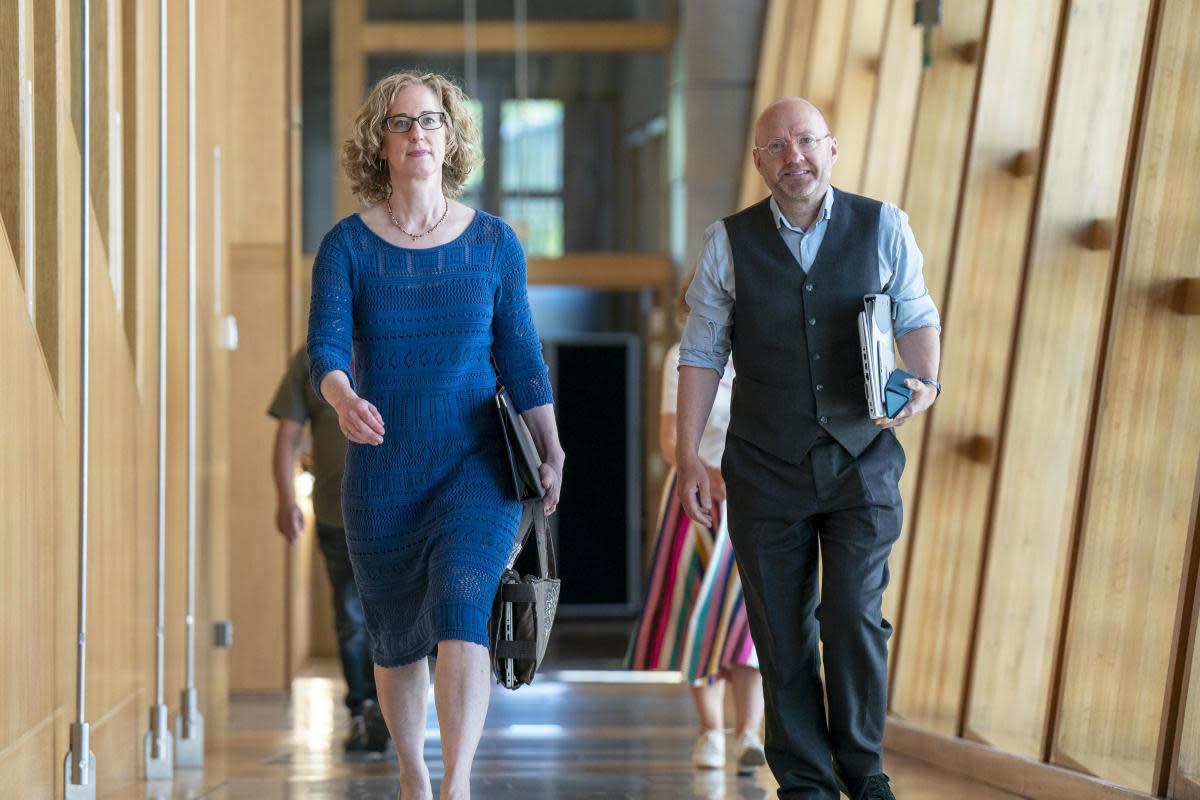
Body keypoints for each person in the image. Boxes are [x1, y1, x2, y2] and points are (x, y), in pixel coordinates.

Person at [307, 70, 565, 800]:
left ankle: (456, 783)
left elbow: (520, 355)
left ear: (451, 138)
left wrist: (551, 444)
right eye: (401, 123)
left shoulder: (493, 242)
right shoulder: (347, 247)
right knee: (394, 636)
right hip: (384, 469)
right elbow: (325, 347)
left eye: (431, 121)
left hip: (475, 463)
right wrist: (341, 396)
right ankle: (413, 772)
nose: (417, 134)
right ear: (379, 143)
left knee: (461, 606)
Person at [675, 97, 942, 800]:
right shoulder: (726, 243)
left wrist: (926, 384)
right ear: (759, 161)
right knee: (780, 631)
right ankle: (804, 782)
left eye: (806, 142)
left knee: (852, 613)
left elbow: (916, 314)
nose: (794, 157)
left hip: (864, 457)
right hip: (764, 466)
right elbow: (700, 352)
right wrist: (687, 457)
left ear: (832, 148)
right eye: (777, 147)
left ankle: (864, 769)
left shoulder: (884, 225)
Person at [627, 292, 765, 775]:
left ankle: (750, 733)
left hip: (757, 502)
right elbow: (670, 439)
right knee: (700, 613)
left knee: (752, 619)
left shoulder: (767, 352)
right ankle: (711, 732)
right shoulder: (683, 354)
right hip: (698, 497)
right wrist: (707, 476)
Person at [268, 347, 390, 754]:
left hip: (401, 513)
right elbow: (288, 436)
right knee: (353, 616)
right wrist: (286, 499)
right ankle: (363, 710)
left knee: (399, 617)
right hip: (337, 516)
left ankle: (392, 711)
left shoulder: (398, 333)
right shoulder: (314, 358)